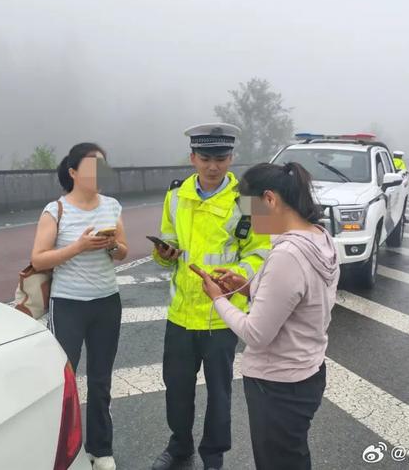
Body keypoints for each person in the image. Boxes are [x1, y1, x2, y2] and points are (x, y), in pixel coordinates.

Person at [197, 161, 340, 470]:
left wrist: (219, 299)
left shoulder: (288, 255)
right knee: (292, 454)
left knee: (279, 461)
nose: (248, 223)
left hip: (278, 386)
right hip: (308, 371)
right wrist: (246, 289)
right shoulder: (319, 238)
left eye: (250, 212)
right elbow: (298, 300)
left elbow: (256, 334)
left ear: (270, 200)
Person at [150, 123, 271, 470]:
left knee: (220, 393)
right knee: (176, 388)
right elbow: (167, 241)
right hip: (181, 313)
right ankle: (179, 445)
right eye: (205, 158)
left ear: (231, 158)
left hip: (223, 314)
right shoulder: (175, 196)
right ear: (192, 158)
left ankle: (213, 455)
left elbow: (262, 252)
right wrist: (164, 253)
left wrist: (240, 274)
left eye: (221, 158)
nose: (213, 166)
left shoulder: (250, 199)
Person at [31, 142, 128, 470]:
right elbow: (38, 258)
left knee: (101, 381)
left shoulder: (112, 206)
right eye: (91, 167)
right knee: (62, 379)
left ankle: (100, 450)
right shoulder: (55, 210)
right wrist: (78, 247)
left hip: (107, 303)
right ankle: (58, 452)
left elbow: (123, 252)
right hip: (68, 305)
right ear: (73, 173)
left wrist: (112, 245)